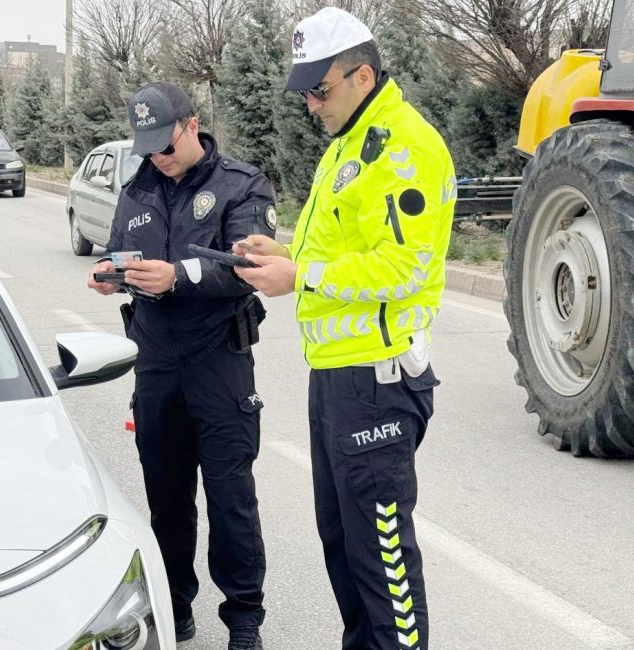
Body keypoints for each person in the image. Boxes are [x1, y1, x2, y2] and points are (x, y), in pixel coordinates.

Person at [234, 8, 455, 649]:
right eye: (303, 89)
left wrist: (300, 276)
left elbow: (404, 266)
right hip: (338, 376)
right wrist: (281, 258)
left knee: (384, 567)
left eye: (319, 89)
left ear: (362, 75)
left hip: (377, 379)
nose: (309, 103)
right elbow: (342, 247)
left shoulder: (404, 145)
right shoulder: (350, 144)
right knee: (344, 550)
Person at [86, 82, 276, 650]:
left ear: (191, 126)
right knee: (166, 497)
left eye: (165, 145)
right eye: (146, 148)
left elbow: (249, 267)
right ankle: (175, 606)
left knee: (230, 497)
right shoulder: (136, 191)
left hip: (219, 360)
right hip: (156, 364)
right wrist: (107, 275)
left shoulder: (241, 186)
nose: (157, 158)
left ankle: (244, 620)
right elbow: (116, 252)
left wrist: (179, 275)